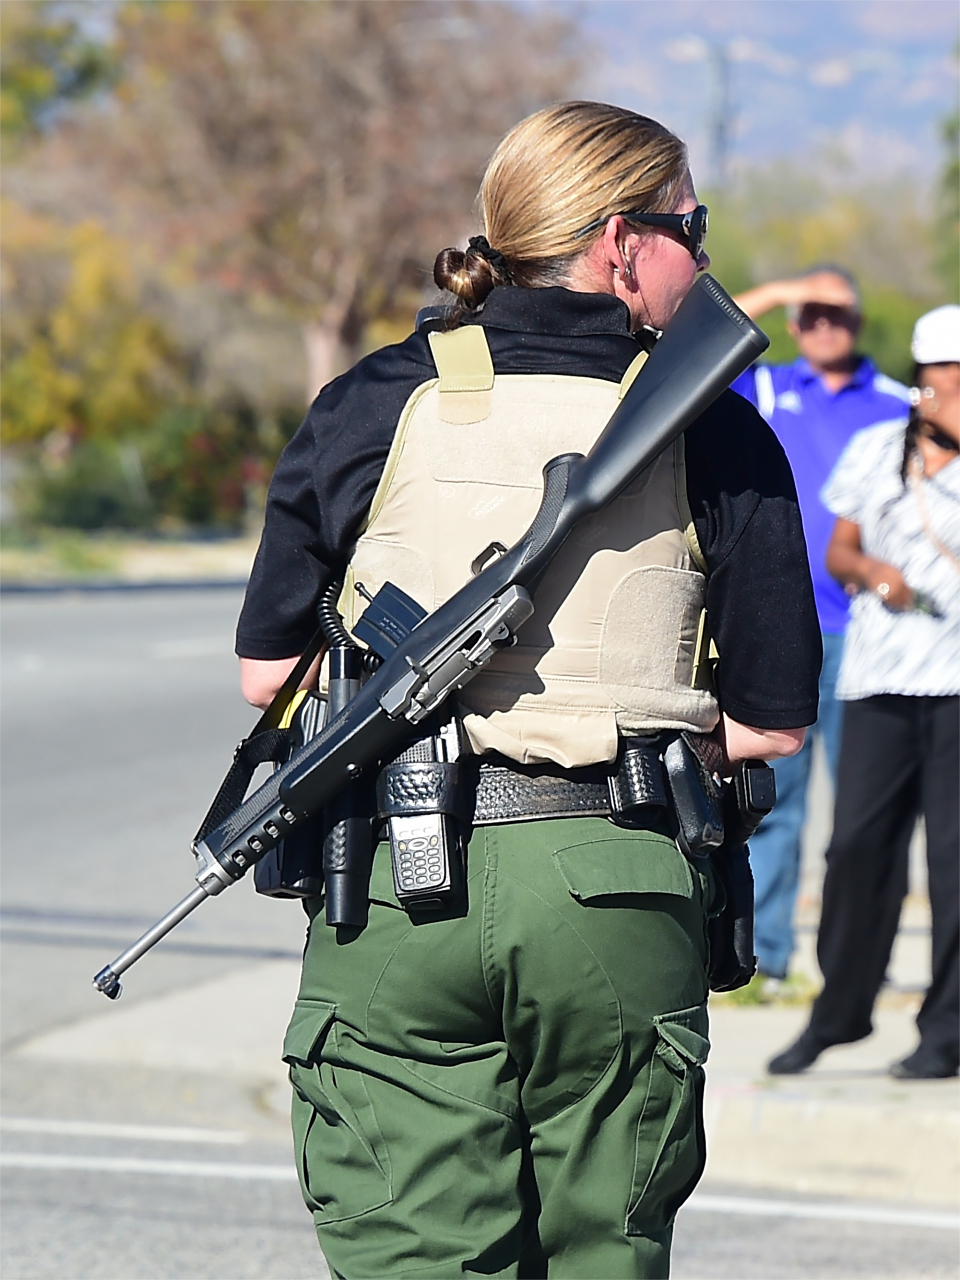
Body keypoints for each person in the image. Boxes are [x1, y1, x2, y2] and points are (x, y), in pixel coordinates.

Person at [235, 101, 820, 1279]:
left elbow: (267, 673)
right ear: (622, 242)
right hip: (616, 881)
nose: (703, 255)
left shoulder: (377, 396)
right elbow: (771, 723)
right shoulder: (713, 426)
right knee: (603, 1252)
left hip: (395, 883)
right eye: (693, 227)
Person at [769, 304, 960, 1080]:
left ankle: (945, 1031)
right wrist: (874, 572)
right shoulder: (877, 449)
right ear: (923, 378)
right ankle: (839, 1013)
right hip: (879, 677)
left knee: (952, 861)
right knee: (854, 848)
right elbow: (840, 550)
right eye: (946, 377)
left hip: (956, 684)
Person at [729, 268, 912, 983]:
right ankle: (769, 961)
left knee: (869, 811)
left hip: (873, 634)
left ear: (860, 322)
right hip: (784, 629)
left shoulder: (897, 403)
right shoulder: (769, 389)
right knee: (777, 802)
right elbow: (689, 340)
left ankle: (859, 963)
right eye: (811, 313)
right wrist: (782, 291)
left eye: (838, 313)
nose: (823, 325)